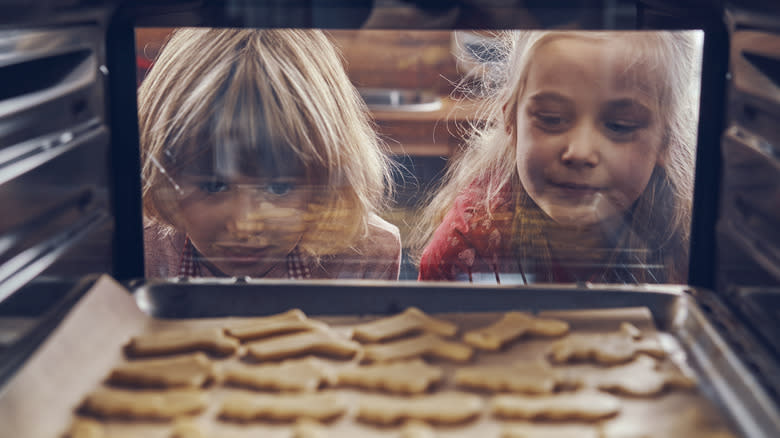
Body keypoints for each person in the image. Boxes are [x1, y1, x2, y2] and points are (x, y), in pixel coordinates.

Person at [413, 30, 702, 284]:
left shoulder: (691, 241)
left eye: (619, 126)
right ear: (511, 122)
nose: (579, 152)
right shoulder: (466, 245)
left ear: (666, 140)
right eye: (552, 119)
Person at [139, 28, 401, 280]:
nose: (245, 226)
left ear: (328, 178)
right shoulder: (138, 249)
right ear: (164, 175)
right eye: (214, 185)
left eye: (278, 188)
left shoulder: (368, 255)